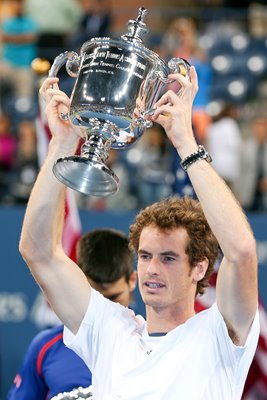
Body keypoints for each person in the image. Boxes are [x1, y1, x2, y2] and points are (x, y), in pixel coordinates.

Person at [19, 66, 260, 399]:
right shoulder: (109, 330)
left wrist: (184, 141)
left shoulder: (220, 333)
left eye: (169, 257)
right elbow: (38, 252)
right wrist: (62, 144)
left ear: (200, 267)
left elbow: (242, 250)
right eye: (145, 256)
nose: (152, 269)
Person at [7, 228, 137, 399]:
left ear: (132, 281)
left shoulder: (154, 343)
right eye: (96, 298)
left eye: (113, 297)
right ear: (79, 283)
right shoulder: (45, 347)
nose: (105, 309)